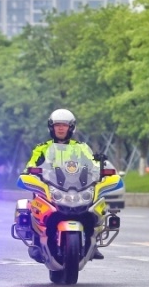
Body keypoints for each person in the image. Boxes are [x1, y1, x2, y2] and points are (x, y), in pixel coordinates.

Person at [23, 108, 105, 260]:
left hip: (76, 189)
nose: (61, 128)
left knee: (91, 214)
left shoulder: (80, 148)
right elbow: (30, 166)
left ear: (71, 127)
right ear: (51, 127)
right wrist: (30, 171)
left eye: (64, 125)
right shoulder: (42, 148)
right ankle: (36, 243)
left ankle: (92, 245)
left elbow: (93, 164)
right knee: (35, 209)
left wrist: (100, 168)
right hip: (50, 190)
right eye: (57, 125)